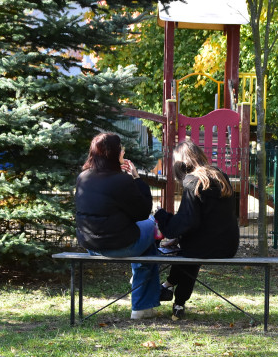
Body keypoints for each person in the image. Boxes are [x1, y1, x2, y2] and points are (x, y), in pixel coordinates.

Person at [74, 132, 162, 319]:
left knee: (147, 249)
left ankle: (143, 303)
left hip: (91, 245)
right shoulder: (122, 180)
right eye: (121, 148)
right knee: (152, 224)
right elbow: (142, 212)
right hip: (120, 245)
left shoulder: (83, 177)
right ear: (114, 153)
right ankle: (140, 305)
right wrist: (137, 178)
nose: (123, 151)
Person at [154, 141, 239, 320]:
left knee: (189, 255)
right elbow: (207, 220)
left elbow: (187, 221)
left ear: (182, 163)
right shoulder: (220, 175)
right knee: (188, 255)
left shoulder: (192, 181)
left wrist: (162, 217)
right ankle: (173, 295)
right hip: (228, 245)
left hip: (203, 247)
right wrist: (179, 238)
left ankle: (171, 292)